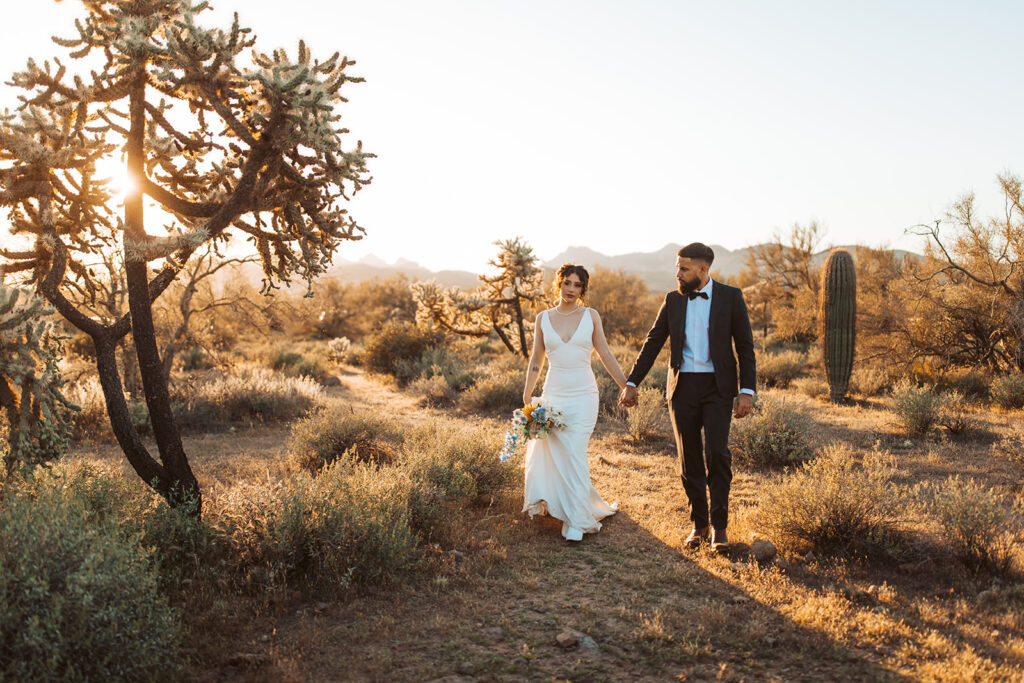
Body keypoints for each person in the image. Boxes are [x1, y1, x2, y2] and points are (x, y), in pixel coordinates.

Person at [618, 243, 756, 552]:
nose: (677, 273)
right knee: (689, 458)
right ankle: (699, 524)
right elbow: (653, 342)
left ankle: (720, 529)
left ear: (703, 270)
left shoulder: (731, 298)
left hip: (719, 388)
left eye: (683, 268)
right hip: (682, 389)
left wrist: (746, 390)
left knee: (717, 455)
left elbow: (745, 346)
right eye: (677, 267)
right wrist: (632, 382)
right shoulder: (672, 300)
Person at [521, 264, 624, 541]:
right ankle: (562, 506)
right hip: (554, 395)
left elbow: (604, 352)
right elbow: (536, 358)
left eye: (577, 285)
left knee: (575, 452)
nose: (571, 289)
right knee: (558, 454)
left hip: (584, 396)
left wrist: (625, 385)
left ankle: (577, 521)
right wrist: (528, 391)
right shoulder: (543, 318)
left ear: (583, 289)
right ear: (559, 284)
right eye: (567, 283)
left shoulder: (591, 316)